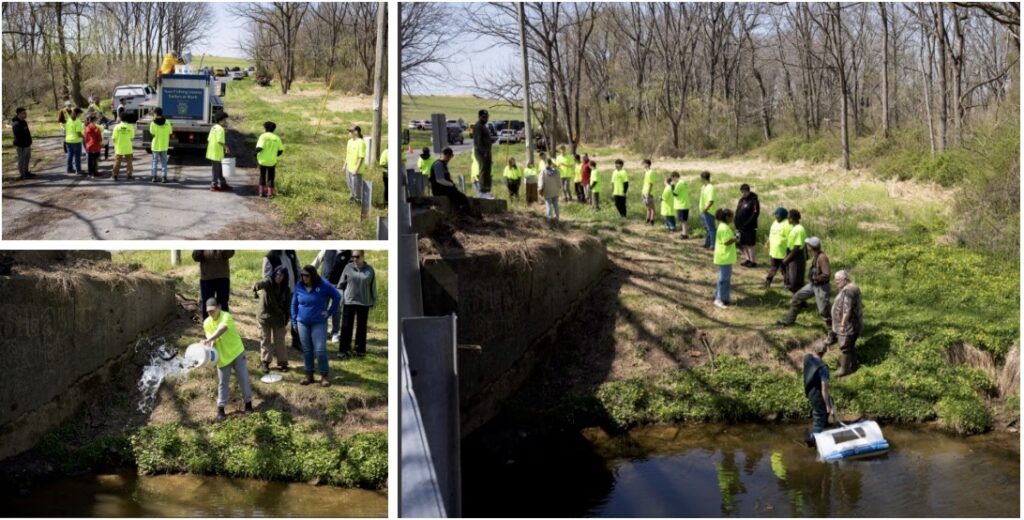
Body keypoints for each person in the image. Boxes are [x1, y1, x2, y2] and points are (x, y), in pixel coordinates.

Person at [202, 297, 254, 421]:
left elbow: (222, 329)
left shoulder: (226, 316)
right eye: (209, 311)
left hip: (237, 352)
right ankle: (221, 410)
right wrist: (207, 344)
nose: (211, 313)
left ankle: (248, 405)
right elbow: (211, 341)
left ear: (219, 307)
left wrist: (209, 339)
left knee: (243, 378)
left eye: (213, 310)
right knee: (222, 383)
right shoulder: (206, 323)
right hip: (222, 357)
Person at [292, 265, 342, 387]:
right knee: (307, 349)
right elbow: (293, 304)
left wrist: (329, 312)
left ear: (313, 275)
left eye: (307, 275)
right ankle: (309, 375)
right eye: (302, 275)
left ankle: (324, 376)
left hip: (319, 322)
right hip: (302, 322)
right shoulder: (299, 285)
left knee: (320, 349)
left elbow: (337, 296)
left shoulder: (323, 284)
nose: (304, 278)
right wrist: (294, 321)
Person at [777, 237, 832, 334]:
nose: (807, 246)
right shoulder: (816, 255)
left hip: (821, 287)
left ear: (812, 247)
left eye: (808, 244)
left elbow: (826, 274)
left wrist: (816, 278)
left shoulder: (822, 257)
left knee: (824, 311)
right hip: (814, 285)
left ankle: (832, 332)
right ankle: (789, 321)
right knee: (797, 296)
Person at [252, 266, 291, 374]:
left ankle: (282, 362)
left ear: (285, 277)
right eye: (277, 274)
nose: (279, 277)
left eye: (281, 275)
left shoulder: (286, 289)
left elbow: (287, 306)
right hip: (265, 317)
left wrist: (286, 319)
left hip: (279, 318)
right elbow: (262, 283)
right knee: (266, 339)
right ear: (274, 274)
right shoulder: (268, 282)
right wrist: (256, 286)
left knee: (280, 340)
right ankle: (265, 362)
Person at [338, 251, 377, 359]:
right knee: (346, 326)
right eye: (353, 257)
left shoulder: (370, 270)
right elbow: (341, 284)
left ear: (363, 256)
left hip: (364, 302)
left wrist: (373, 300)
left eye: (357, 256)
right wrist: (341, 299)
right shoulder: (348, 268)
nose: (354, 259)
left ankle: (360, 350)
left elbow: (373, 286)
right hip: (349, 301)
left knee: (362, 327)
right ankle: (344, 350)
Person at [313, 249, 353, 344]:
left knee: (337, 309)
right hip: (324, 284)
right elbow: (316, 262)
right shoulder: (326, 249)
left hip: (339, 286)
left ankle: (335, 333)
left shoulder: (349, 253)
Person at [831, 270, 863, 377]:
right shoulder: (853, 287)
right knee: (850, 345)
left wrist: (842, 324)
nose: (836, 282)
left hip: (848, 325)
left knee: (845, 346)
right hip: (854, 324)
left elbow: (847, 310)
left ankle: (844, 369)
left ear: (844, 279)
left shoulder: (848, 291)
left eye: (838, 280)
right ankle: (854, 364)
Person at [429, 147, 478, 217]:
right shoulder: (438, 164)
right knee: (461, 198)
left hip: (446, 189)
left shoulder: (443, 164)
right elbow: (439, 180)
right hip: (440, 190)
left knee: (462, 198)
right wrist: (450, 184)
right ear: (444, 155)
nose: (449, 159)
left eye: (450, 157)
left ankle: (465, 213)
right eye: (448, 157)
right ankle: (464, 214)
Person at [802, 342, 832, 446]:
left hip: (809, 390)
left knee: (831, 401)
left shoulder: (807, 358)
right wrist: (827, 405)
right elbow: (824, 389)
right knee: (820, 414)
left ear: (814, 349)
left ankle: (825, 424)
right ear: (825, 351)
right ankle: (812, 440)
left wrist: (829, 403)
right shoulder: (823, 368)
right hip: (817, 394)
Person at [192, 250, 234, 320]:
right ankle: (207, 324)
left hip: (222, 276)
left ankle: (224, 323)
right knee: (207, 303)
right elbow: (195, 257)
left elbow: (230, 253)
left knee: (223, 303)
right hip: (206, 277)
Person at [713, 208, 738, 309]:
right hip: (724, 257)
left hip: (725, 257)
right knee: (723, 279)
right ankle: (718, 299)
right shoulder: (724, 228)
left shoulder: (724, 226)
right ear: (727, 217)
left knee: (726, 279)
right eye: (732, 217)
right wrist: (735, 238)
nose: (732, 218)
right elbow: (726, 242)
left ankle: (725, 298)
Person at [764, 208, 792, 288]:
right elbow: (771, 234)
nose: (776, 216)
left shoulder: (788, 224)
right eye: (775, 215)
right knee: (773, 267)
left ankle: (787, 284)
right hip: (773, 251)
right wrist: (767, 242)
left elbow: (790, 238)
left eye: (777, 215)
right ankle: (768, 281)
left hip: (783, 251)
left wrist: (790, 250)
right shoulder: (775, 222)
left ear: (783, 215)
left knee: (785, 269)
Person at [255, 121, 284, 198]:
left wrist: (254, 154)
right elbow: (281, 150)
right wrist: (275, 155)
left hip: (262, 160)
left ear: (265, 128)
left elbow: (259, 148)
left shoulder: (263, 136)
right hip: (272, 161)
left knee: (262, 175)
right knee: (271, 177)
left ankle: (261, 192)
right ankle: (270, 193)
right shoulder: (277, 138)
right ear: (274, 129)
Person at [782, 209, 808, 293]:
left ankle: (799, 297)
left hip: (796, 257)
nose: (787, 219)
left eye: (788, 217)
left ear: (793, 218)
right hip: (791, 255)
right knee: (791, 277)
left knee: (795, 280)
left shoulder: (799, 229)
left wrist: (786, 259)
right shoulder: (794, 228)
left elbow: (797, 247)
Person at [735, 184, 761, 267]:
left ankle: (753, 261)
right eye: (742, 192)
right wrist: (736, 221)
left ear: (748, 191)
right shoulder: (741, 200)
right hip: (740, 226)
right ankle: (747, 259)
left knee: (750, 244)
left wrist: (747, 223)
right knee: (742, 244)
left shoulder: (754, 201)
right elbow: (737, 211)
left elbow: (755, 214)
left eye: (745, 192)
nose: (743, 193)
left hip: (750, 227)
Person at [206, 111, 231, 191]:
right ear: (221, 120)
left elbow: (208, 139)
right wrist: (226, 147)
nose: (226, 121)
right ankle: (213, 185)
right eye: (225, 120)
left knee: (220, 169)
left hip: (212, 151)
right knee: (216, 170)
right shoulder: (220, 129)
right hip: (216, 152)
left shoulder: (214, 127)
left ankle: (223, 183)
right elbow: (220, 141)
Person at [473, 109, 494, 198]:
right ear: (479, 117)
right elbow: (478, 142)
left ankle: (487, 190)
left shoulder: (484, 126)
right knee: (483, 170)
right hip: (481, 152)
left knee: (488, 170)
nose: (486, 119)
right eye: (484, 117)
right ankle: (483, 190)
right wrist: (484, 152)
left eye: (487, 117)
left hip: (487, 151)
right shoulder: (478, 126)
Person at [148, 107, 172, 183]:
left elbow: (152, 133)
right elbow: (170, 132)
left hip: (155, 145)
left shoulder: (153, 123)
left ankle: (154, 177)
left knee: (154, 161)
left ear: (155, 113)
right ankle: (164, 177)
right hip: (164, 145)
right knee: (164, 162)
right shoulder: (167, 122)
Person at [12, 107, 34, 180]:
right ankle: (22, 175)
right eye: (23, 113)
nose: (25, 114)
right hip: (21, 146)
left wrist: (30, 141)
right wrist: (24, 143)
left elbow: (27, 133)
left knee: (27, 159)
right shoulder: (16, 124)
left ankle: (26, 172)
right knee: (22, 160)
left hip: (27, 145)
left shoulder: (24, 122)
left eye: (25, 113)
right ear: (19, 114)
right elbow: (18, 136)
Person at [345, 126, 366, 200]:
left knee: (357, 187)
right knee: (350, 185)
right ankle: (352, 197)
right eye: (349, 131)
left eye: (351, 131)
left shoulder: (361, 142)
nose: (349, 133)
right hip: (349, 168)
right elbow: (348, 154)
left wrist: (356, 170)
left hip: (357, 170)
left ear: (356, 132)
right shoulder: (349, 141)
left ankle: (358, 201)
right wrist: (345, 165)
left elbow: (361, 157)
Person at [698, 171, 717, 250]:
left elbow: (711, 201)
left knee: (711, 229)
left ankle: (713, 245)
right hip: (703, 211)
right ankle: (707, 243)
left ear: (703, 178)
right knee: (707, 229)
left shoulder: (710, 187)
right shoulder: (703, 187)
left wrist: (705, 210)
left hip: (709, 211)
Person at [64, 108, 85, 175]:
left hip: (68, 140)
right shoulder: (78, 121)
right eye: (80, 114)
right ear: (77, 113)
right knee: (77, 156)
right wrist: (84, 137)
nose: (80, 115)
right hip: (75, 141)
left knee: (70, 155)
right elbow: (79, 133)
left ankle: (69, 169)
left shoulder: (69, 119)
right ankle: (78, 170)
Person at [673, 171, 691, 239]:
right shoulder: (683, 182)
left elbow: (675, 194)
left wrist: (672, 186)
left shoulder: (679, 183)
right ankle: (685, 232)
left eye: (673, 178)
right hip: (685, 204)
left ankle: (684, 234)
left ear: (675, 177)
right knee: (684, 220)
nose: (673, 180)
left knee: (683, 221)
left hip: (681, 204)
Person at [640, 159, 656, 225]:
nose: (643, 165)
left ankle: (652, 221)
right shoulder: (646, 172)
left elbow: (651, 183)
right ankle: (647, 220)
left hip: (648, 192)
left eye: (644, 164)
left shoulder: (651, 172)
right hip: (644, 192)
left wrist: (648, 193)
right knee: (647, 207)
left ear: (647, 164)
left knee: (652, 208)